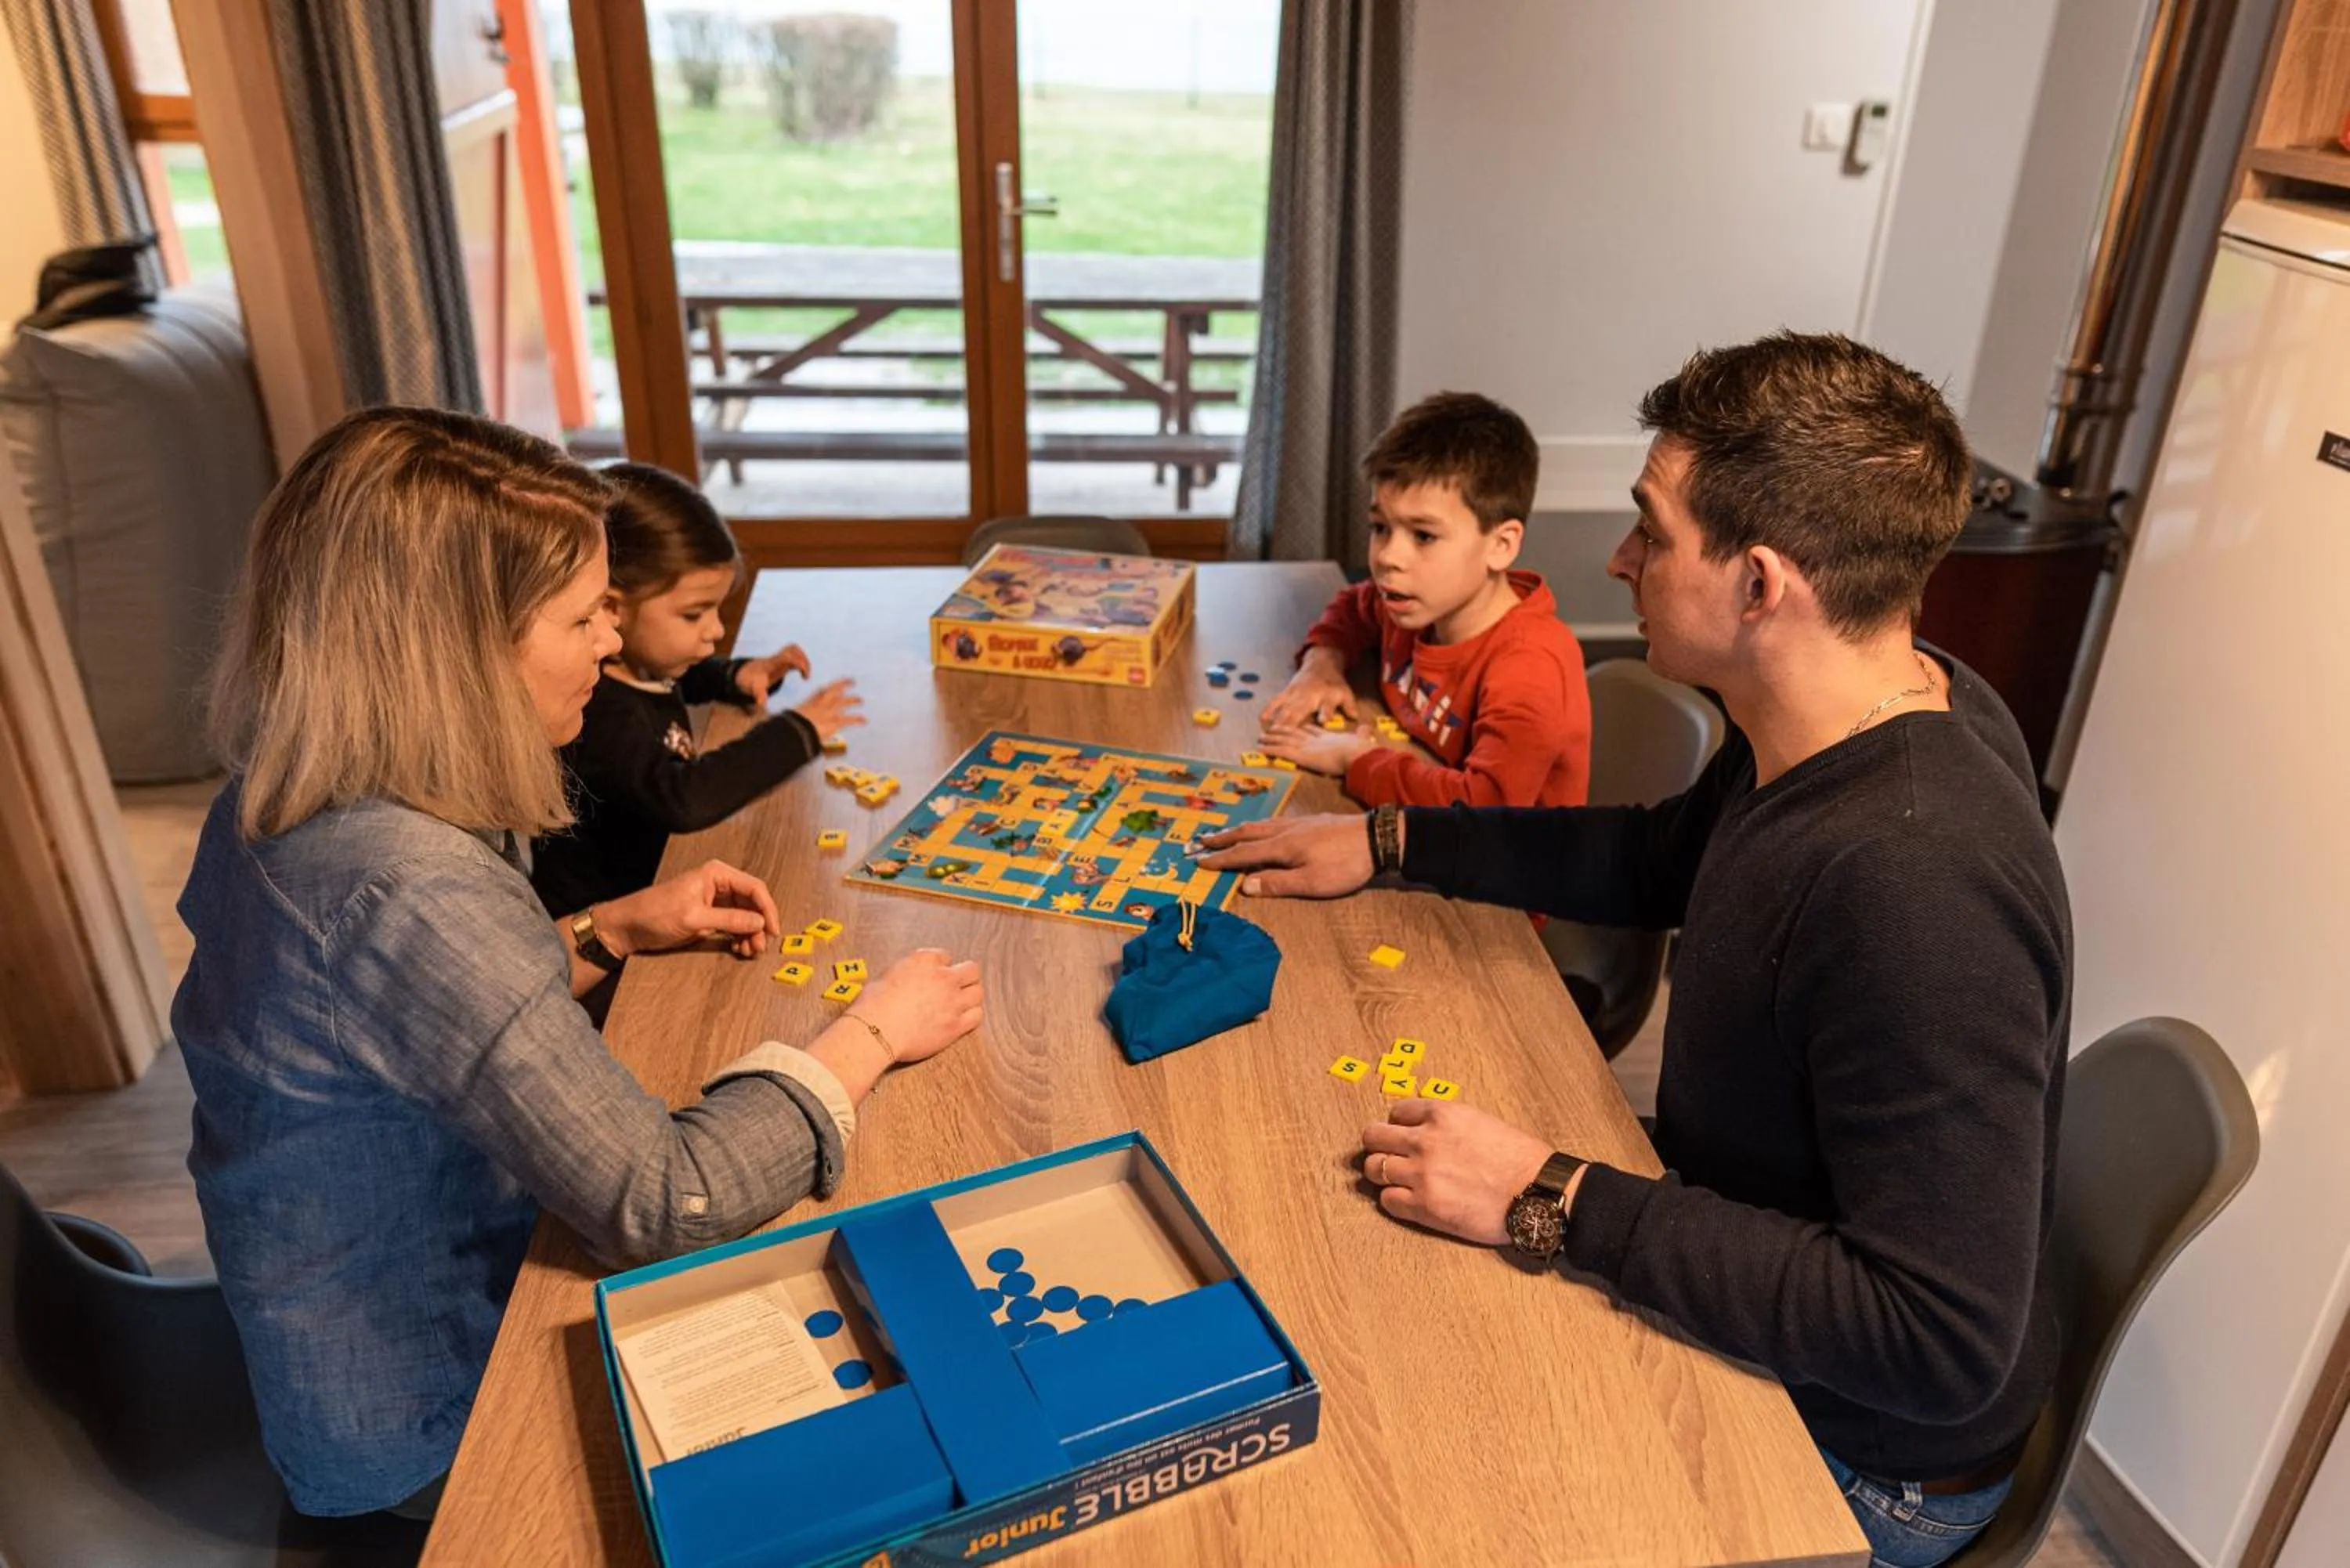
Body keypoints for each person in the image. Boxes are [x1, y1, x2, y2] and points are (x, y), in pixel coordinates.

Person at [1203, 334, 2069, 1567]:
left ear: (1760, 585)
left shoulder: (1916, 886)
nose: (1617, 562)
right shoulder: (1867, 699)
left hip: (1859, 1458)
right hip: (1752, 1251)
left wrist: (1551, 1194)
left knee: (1389, 1484)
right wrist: (1392, 840)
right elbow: (1665, 856)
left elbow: (1934, 1332)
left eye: (1651, 535)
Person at [174, 407, 983, 1519]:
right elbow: (667, 1195)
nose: (611, 647)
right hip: (422, 1421)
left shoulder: (288, 786)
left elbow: (409, 1022)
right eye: (580, 617)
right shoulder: (410, 885)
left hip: (316, 1317)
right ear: (454, 649)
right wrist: (873, 1032)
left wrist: (608, 930)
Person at [530, 461, 862, 917]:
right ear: (612, 608)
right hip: (609, 936)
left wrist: (736, 677)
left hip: (661, 884)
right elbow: (684, 798)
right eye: (694, 614)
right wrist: (796, 732)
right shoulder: (600, 712)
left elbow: (677, 675)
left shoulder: (635, 664)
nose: (716, 630)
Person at [1256, 392, 1590, 808]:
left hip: (1505, 866)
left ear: (1501, 545)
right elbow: (1354, 606)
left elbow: (1484, 809)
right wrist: (1322, 664)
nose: (1388, 557)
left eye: (1424, 535)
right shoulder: (1416, 603)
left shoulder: (1530, 668)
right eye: (1380, 527)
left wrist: (1356, 759)